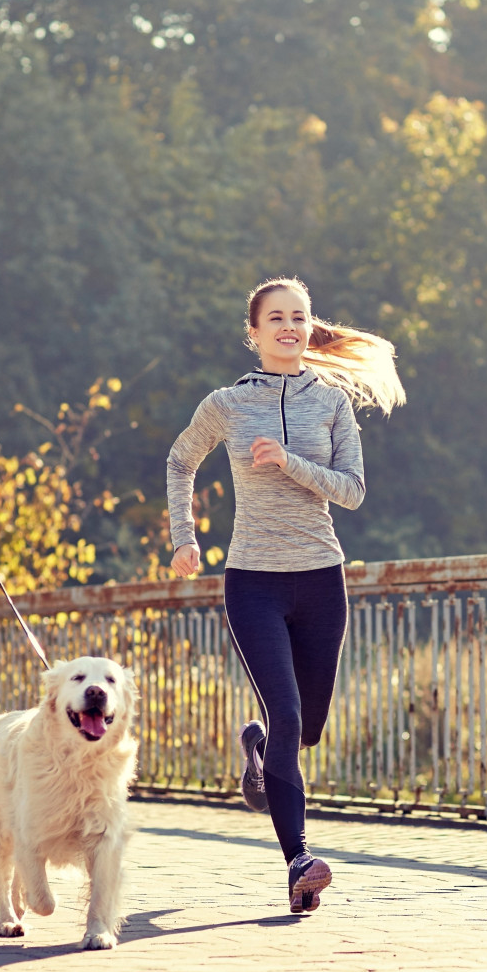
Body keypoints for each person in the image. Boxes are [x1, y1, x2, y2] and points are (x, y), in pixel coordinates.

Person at [166, 277, 405, 913]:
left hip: (322, 579)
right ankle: (299, 861)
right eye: (276, 318)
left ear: (308, 326)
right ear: (254, 332)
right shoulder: (226, 403)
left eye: (299, 317)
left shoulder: (331, 404)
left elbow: (352, 490)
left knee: (307, 729)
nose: (289, 327)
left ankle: (259, 755)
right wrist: (184, 537)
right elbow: (180, 459)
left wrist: (289, 463)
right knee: (289, 714)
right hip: (253, 582)